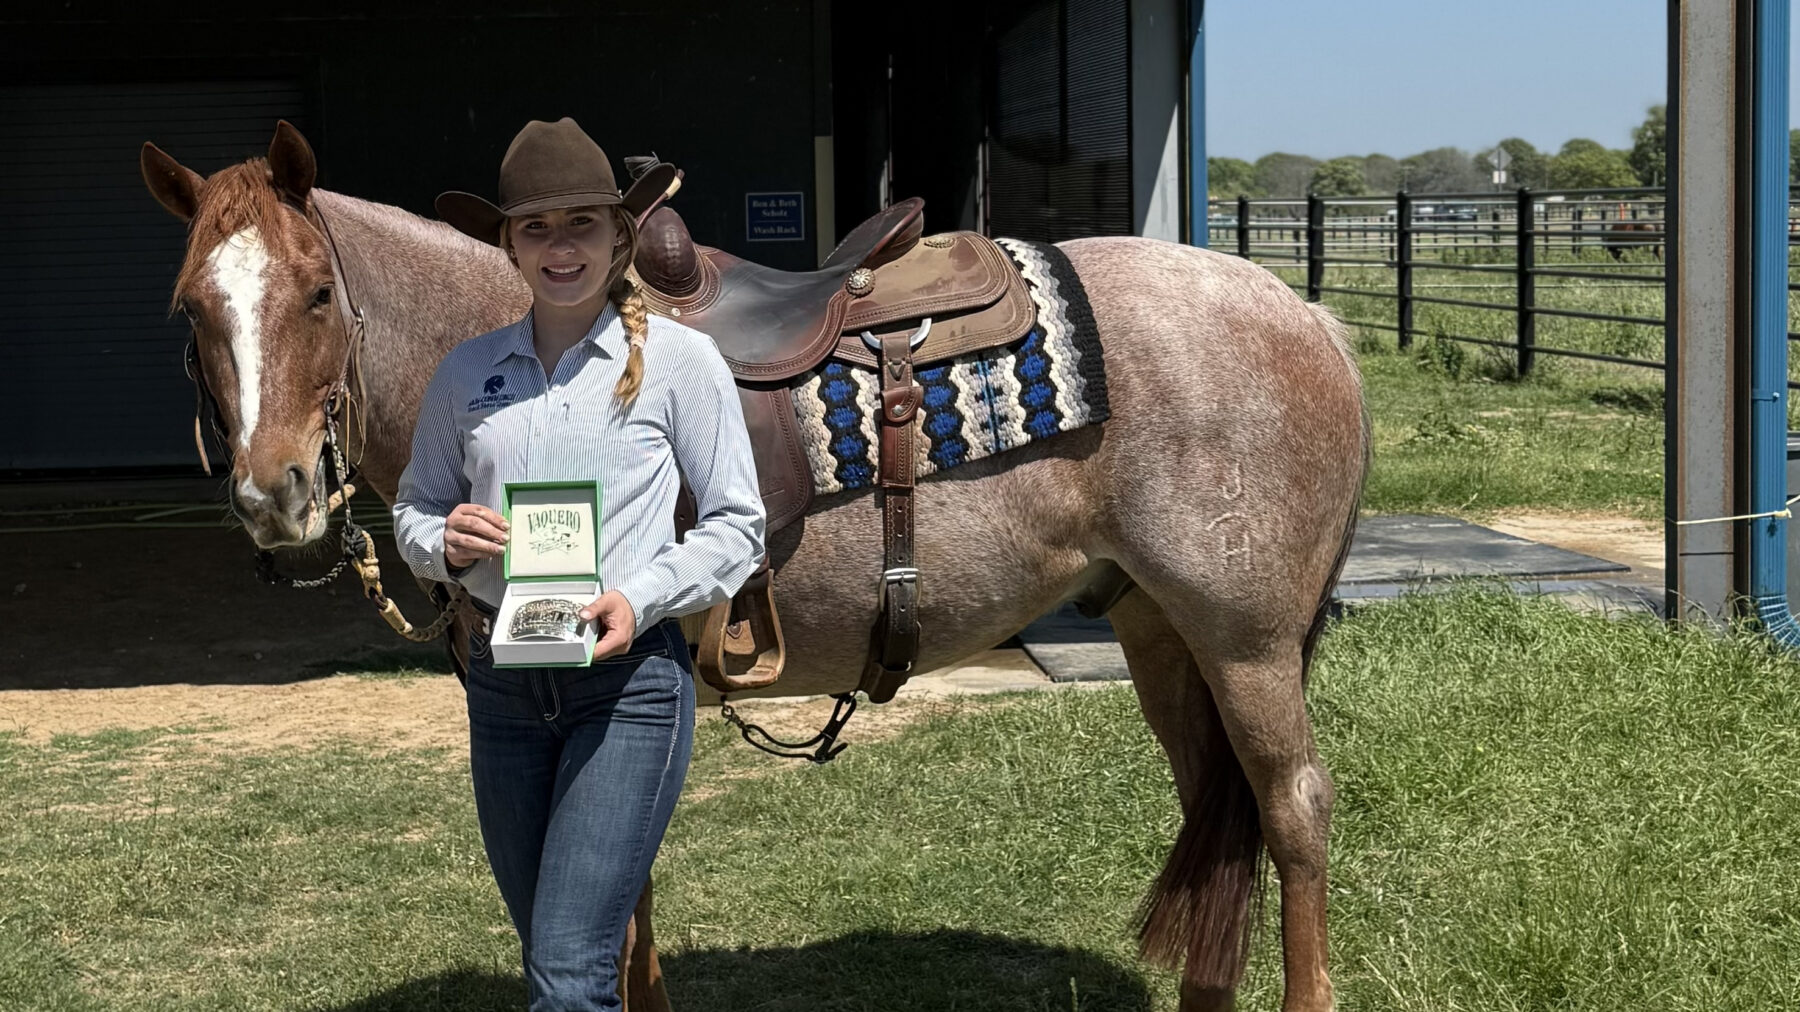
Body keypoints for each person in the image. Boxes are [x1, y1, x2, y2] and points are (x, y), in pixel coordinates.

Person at [393, 117, 765, 1011]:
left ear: (620, 234)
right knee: (561, 959)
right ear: (509, 247)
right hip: (504, 688)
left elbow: (738, 526)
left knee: (566, 975)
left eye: (582, 225)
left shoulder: (680, 363)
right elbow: (411, 507)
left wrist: (640, 596)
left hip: (629, 687)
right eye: (536, 228)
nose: (561, 249)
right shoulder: (465, 375)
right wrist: (441, 544)